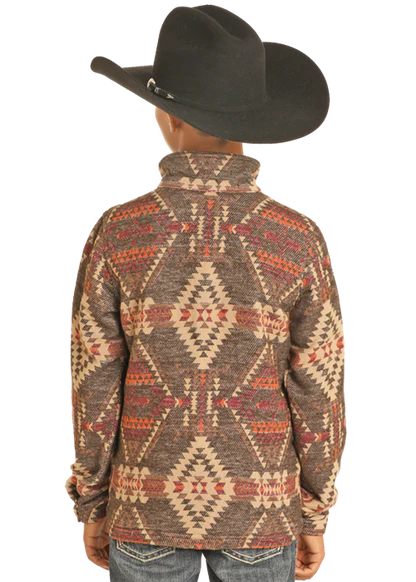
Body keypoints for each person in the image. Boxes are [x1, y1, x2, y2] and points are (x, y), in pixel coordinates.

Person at [67, 5, 347, 582]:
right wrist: (315, 513)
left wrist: (92, 503)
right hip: (262, 517)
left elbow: (93, 380)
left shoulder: (120, 232)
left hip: (145, 513)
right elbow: (318, 390)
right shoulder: (296, 238)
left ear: (167, 116)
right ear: (251, 125)